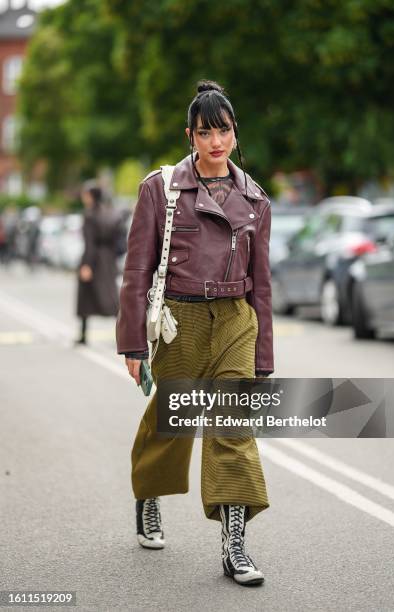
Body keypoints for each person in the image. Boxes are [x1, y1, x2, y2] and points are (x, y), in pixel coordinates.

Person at [116, 80, 274, 586]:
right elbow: (137, 270)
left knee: (232, 426)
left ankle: (235, 545)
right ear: (190, 135)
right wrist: (132, 344)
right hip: (179, 323)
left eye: (223, 130)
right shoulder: (160, 190)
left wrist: (264, 357)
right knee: (173, 423)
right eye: (205, 132)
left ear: (234, 132)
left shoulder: (255, 200)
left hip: (234, 320)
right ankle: (149, 496)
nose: (215, 141)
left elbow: (263, 285)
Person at [75, 180, 120, 344]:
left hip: (93, 260)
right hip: (107, 259)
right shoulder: (109, 213)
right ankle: (123, 334)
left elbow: (90, 242)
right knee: (111, 297)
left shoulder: (89, 215)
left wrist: (86, 264)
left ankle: (83, 335)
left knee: (86, 298)